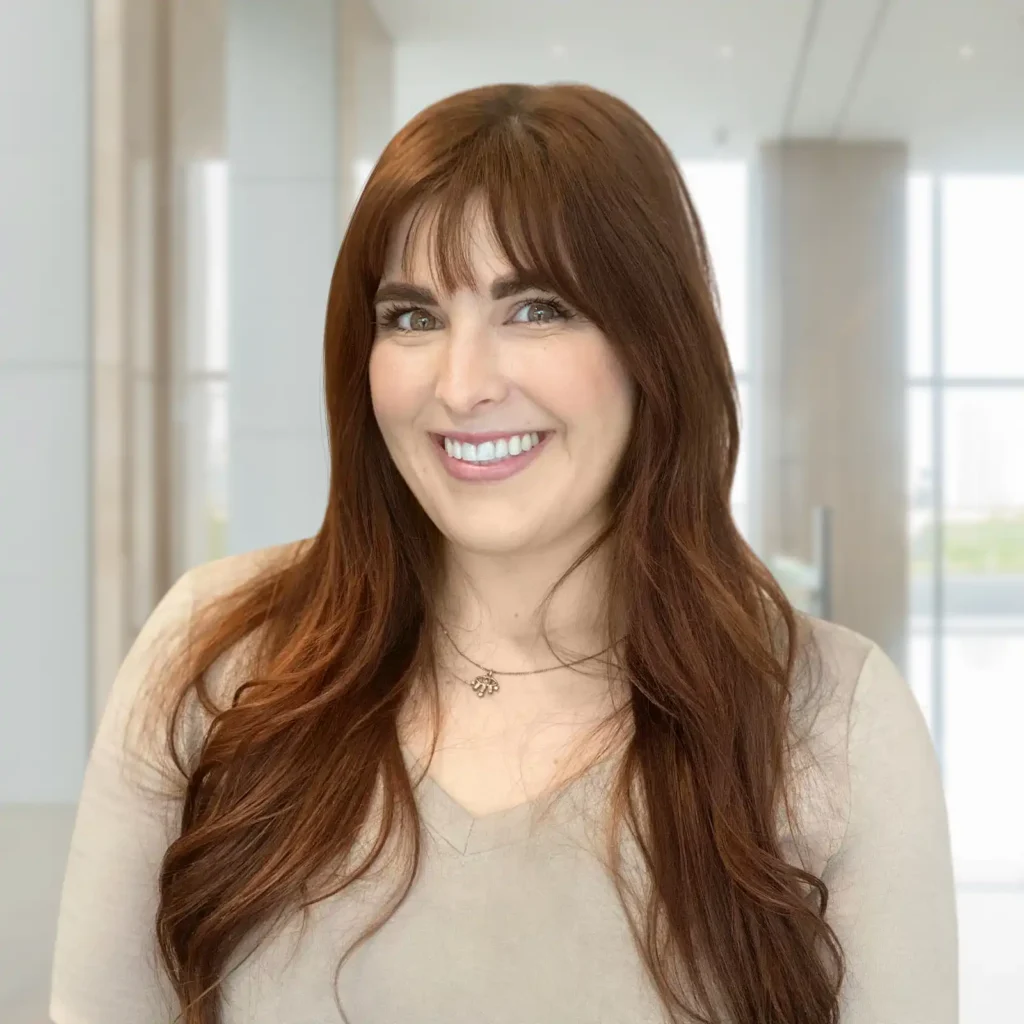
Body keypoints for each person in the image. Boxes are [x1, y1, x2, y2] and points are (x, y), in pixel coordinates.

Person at [50, 83, 957, 1024]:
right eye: (413, 317)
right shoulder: (216, 655)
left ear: (654, 344)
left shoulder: (830, 717)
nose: (462, 385)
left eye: (536, 309)